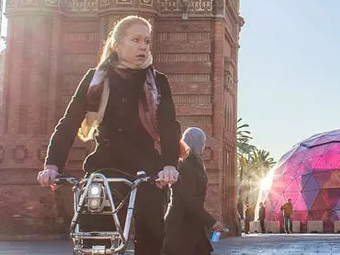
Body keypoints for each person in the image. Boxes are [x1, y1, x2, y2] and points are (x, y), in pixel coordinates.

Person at [37, 16, 182, 255]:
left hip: (147, 169)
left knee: (152, 232)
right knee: (93, 233)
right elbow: (69, 122)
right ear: (116, 45)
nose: (143, 46)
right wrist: (52, 165)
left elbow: (169, 125)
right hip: (106, 165)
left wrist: (169, 165)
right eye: (135, 40)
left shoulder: (158, 81)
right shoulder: (95, 78)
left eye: (146, 41)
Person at [164, 128, 221, 255]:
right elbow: (188, 199)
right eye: (203, 142)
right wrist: (211, 221)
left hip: (192, 222)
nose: (204, 146)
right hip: (181, 225)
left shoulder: (195, 162)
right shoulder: (186, 163)